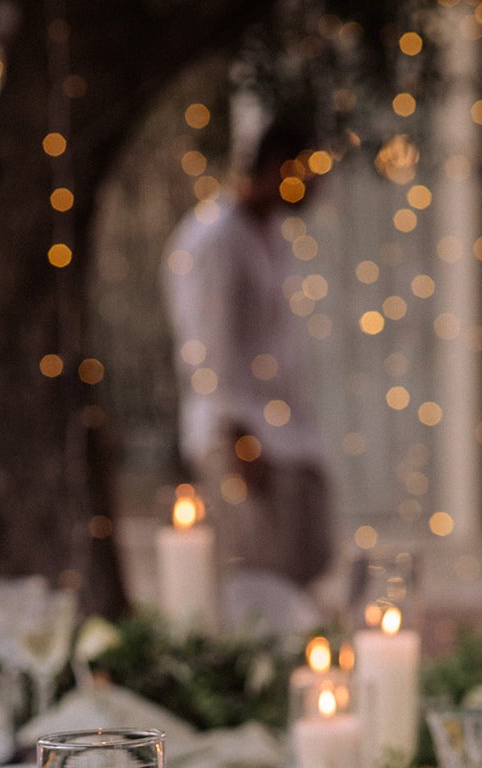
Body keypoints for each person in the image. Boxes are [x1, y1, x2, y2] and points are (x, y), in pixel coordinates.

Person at [161, 106, 335, 628]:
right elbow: (206, 352)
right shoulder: (213, 238)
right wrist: (238, 438)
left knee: (302, 581)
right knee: (260, 594)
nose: (321, 184)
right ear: (283, 164)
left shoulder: (271, 233)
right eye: (313, 168)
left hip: (289, 436)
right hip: (245, 439)